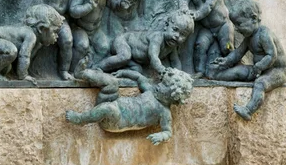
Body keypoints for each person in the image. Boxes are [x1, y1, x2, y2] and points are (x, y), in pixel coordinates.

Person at [66, 60, 194, 145]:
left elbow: (168, 131)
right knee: (112, 83)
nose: (160, 85)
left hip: (116, 121)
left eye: (165, 86)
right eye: (162, 82)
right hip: (114, 102)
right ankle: (82, 74)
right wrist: (123, 72)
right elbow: (139, 77)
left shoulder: (163, 112)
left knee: (107, 108)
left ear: (174, 96)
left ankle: (80, 119)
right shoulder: (150, 90)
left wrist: (161, 136)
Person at [209, 0, 286, 120]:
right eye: (235, 25)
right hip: (259, 69)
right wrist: (226, 61)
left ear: (253, 18)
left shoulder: (264, 34)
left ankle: (248, 110)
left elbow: (271, 55)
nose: (236, 29)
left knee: (260, 84)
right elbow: (237, 53)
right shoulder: (249, 38)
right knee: (238, 71)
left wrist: (259, 67)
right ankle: (216, 75)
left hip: (277, 71)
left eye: (239, 24)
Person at [177, 0, 234, 79]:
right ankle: (200, 71)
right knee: (199, 46)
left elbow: (209, 5)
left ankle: (232, 63)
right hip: (208, 29)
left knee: (227, 46)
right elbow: (183, 0)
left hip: (222, 26)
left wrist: (195, 15)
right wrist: (184, 9)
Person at [0, 4, 64, 84]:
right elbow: (24, 56)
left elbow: (24, 60)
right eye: (55, 32)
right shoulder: (30, 35)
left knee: (6, 67)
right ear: (41, 28)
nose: (57, 36)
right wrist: (23, 76)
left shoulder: (37, 43)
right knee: (11, 51)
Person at [93, 10, 194, 75]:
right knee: (124, 56)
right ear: (166, 25)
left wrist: (180, 75)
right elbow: (153, 56)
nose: (177, 36)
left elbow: (175, 61)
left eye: (182, 35)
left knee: (137, 70)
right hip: (123, 41)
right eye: (175, 29)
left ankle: (119, 72)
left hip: (134, 59)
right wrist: (161, 70)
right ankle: (97, 67)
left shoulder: (171, 48)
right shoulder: (157, 38)